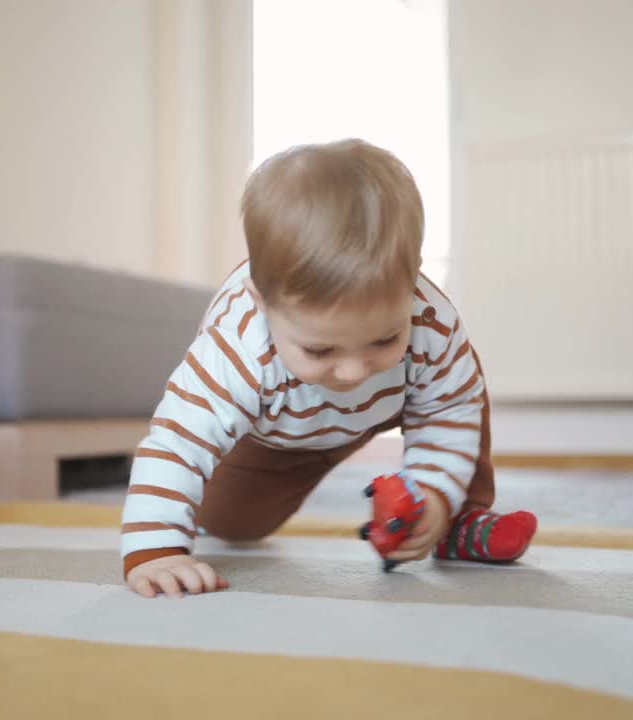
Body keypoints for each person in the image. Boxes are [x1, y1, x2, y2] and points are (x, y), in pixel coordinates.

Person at [121, 139, 537, 598]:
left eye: (384, 338)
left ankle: (459, 519)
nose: (355, 371)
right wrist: (155, 551)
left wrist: (433, 497)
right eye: (320, 350)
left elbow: (449, 413)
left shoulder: (429, 323)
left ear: (414, 279)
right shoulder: (236, 350)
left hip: (390, 406)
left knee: (460, 381)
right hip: (275, 434)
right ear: (263, 305)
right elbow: (178, 443)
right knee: (229, 522)